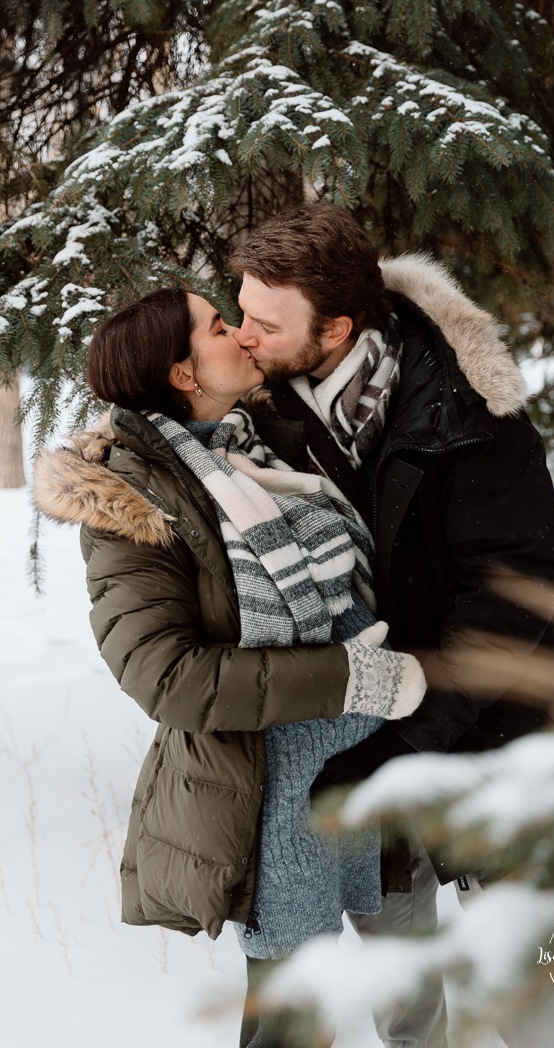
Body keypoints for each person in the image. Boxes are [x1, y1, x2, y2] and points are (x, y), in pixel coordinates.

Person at [32, 287, 428, 1045]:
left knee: (408, 1001)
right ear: (184, 374)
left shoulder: (255, 442)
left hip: (364, 774)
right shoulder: (133, 501)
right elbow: (168, 677)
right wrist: (350, 679)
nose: (244, 335)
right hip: (269, 798)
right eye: (219, 326)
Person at [230, 204, 554, 1048]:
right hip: (355, 749)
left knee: (530, 998)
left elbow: (510, 601)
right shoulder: (258, 419)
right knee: (405, 997)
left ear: (336, 329)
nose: (242, 336)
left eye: (265, 324)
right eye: (240, 312)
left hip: (491, 742)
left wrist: (406, 740)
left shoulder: (470, 416)